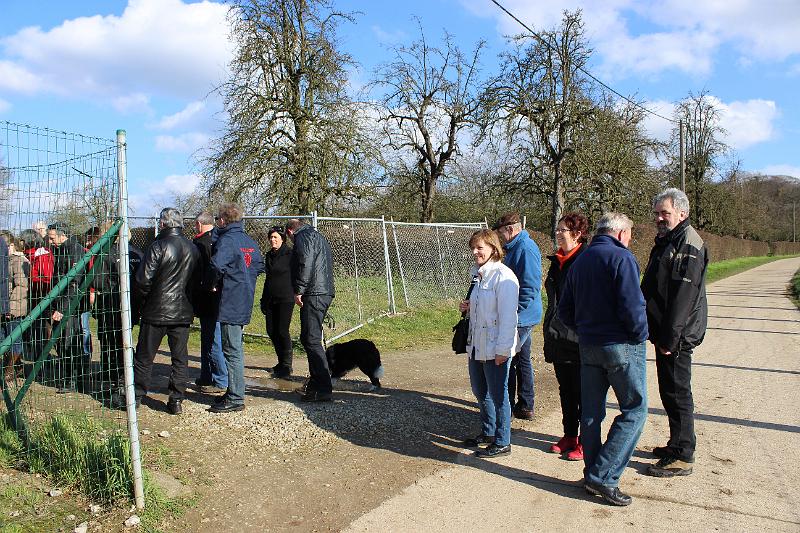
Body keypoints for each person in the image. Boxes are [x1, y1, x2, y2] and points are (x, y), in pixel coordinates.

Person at [558, 213, 648, 506]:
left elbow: (564, 310)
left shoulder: (580, 261)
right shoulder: (622, 258)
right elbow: (632, 305)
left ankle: (592, 474)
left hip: (588, 345)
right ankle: (603, 476)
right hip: (620, 344)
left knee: (592, 414)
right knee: (635, 410)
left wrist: (584, 329)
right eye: (630, 235)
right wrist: (640, 334)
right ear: (621, 233)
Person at [641, 188, 708, 478]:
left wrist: (670, 337)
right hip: (666, 332)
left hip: (677, 335)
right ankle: (676, 443)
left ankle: (683, 454)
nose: (658, 218)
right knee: (669, 389)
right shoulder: (670, 239)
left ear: (682, 213)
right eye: (656, 213)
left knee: (678, 391)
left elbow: (683, 295)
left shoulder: (688, 243)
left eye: (664, 213)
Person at [120, 208, 199, 414]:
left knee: (145, 357)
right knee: (180, 359)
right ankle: (176, 400)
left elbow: (142, 280)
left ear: (163, 224)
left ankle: (136, 396)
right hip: (182, 311)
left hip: (156, 311)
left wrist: (146, 300)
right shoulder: (192, 248)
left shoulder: (158, 246)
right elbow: (195, 281)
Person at [459, 229, 519, 458]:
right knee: (480, 390)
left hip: (495, 347)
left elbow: (508, 318)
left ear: (493, 248)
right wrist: (469, 307)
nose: (475, 252)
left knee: (498, 393)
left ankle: (503, 440)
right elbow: (484, 309)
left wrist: (503, 350)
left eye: (480, 247)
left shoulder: (504, 277)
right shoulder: (478, 274)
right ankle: (488, 431)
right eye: (473, 248)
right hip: (476, 345)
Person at [207, 203, 265, 413]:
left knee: (232, 350)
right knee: (234, 347)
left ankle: (236, 397)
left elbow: (216, 265)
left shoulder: (227, 241)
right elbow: (259, 266)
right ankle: (233, 390)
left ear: (223, 220)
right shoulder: (248, 241)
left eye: (218, 220)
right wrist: (245, 277)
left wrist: (213, 283)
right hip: (244, 297)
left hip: (231, 300)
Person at [542, 213, 589, 461]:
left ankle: (586, 441)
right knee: (566, 390)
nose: (558, 233)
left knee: (584, 393)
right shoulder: (555, 261)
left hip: (579, 338)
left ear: (577, 234)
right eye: (557, 230)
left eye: (563, 230)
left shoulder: (586, 260)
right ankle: (569, 435)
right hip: (557, 335)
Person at [493, 212, 542, 420]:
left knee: (508, 359)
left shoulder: (525, 248)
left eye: (501, 233)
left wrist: (514, 313)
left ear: (511, 229)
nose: (501, 237)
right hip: (520, 315)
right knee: (522, 360)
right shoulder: (515, 248)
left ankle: (508, 406)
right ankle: (525, 404)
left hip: (521, 316)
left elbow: (529, 287)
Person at [286, 218, 335, 402]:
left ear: (290, 232)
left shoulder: (303, 238)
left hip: (314, 292)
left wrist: (299, 290)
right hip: (323, 290)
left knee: (311, 339)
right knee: (310, 338)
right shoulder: (316, 236)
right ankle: (316, 384)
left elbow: (305, 263)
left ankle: (322, 388)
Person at [47, 222, 90, 393]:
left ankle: (72, 380)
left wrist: (62, 308)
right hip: (62, 303)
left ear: (62, 235)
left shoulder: (74, 250)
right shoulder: (62, 249)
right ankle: (71, 378)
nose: (50, 242)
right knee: (62, 342)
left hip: (70, 306)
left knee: (69, 342)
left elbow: (74, 283)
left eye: (51, 238)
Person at [192, 211, 226, 394]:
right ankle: (207, 374)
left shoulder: (205, 243)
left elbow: (213, 268)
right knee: (207, 338)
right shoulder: (218, 239)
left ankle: (220, 378)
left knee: (213, 340)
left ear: (199, 224)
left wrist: (209, 284)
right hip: (210, 298)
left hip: (210, 297)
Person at [261, 225, 295, 379]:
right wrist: (263, 299)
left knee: (282, 331)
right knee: (271, 330)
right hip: (271, 298)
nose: (272, 240)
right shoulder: (269, 255)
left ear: (282, 238)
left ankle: (287, 365)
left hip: (286, 298)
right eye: (271, 237)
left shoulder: (290, 254)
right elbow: (268, 279)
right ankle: (280, 361)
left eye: (275, 237)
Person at [0, 232, 29, 381]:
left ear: (11, 245)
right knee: (3, 338)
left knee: (13, 339)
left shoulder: (18, 261)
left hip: (14, 308)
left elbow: (22, 286)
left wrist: (10, 308)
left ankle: (11, 369)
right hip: (3, 306)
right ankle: (16, 367)